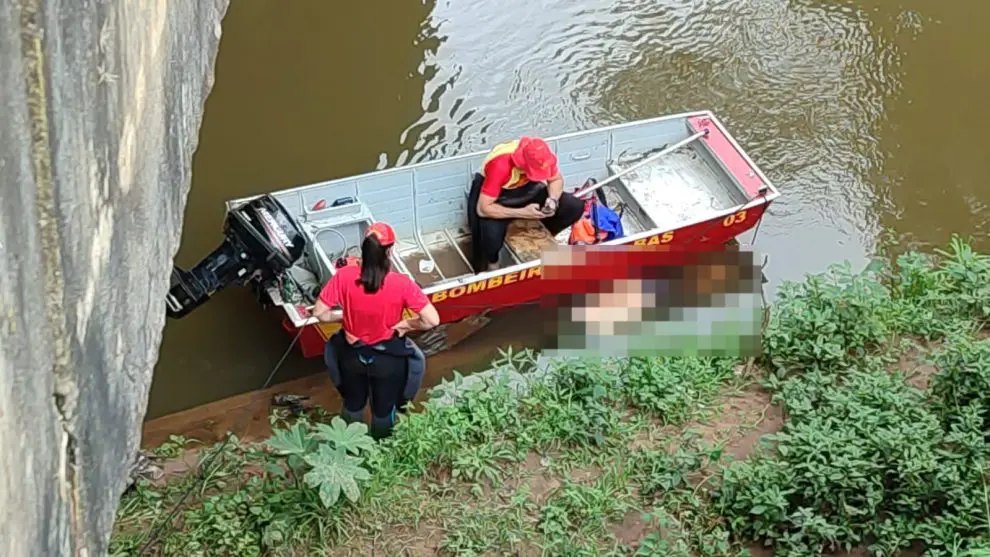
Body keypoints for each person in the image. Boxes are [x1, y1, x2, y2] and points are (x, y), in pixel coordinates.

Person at [310, 222, 440, 438]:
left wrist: (343, 317)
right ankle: (381, 450)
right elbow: (432, 320)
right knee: (383, 409)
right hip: (388, 359)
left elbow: (320, 313)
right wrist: (406, 325)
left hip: (352, 356)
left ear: (364, 249)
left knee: (352, 404)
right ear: (390, 251)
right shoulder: (402, 284)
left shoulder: (344, 276)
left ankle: (347, 446)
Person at [467, 136, 585, 273]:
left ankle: (543, 236)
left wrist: (552, 200)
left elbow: (556, 180)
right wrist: (524, 212)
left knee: (574, 206)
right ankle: (492, 265)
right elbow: (483, 209)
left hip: (527, 190)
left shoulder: (543, 157)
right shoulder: (501, 165)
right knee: (490, 237)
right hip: (497, 199)